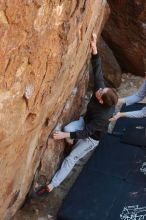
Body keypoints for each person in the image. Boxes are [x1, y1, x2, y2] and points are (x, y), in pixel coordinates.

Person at [44, 33, 118, 193]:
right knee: (68, 130)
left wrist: (64, 137)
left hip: (91, 138)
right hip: (85, 122)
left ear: (100, 101)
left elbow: (86, 133)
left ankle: (52, 186)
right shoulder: (102, 92)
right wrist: (94, 48)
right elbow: (98, 71)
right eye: (102, 88)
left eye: (100, 92)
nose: (99, 89)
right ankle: (71, 143)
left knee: (71, 159)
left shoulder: (103, 117)